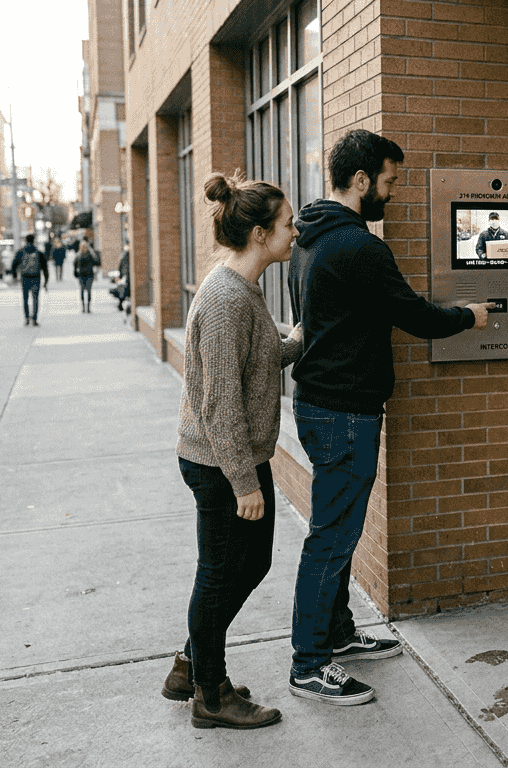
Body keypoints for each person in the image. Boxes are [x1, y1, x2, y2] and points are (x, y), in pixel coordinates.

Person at [285, 129, 489, 705]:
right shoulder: (359, 247)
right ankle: (308, 665)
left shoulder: (309, 238)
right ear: (360, 179)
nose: (392, 193)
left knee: (338, 531)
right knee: (332, 537)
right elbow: (415, 316)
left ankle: (338, 633)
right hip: (345, 411)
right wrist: (467, 317)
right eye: (390, 181)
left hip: (320, 403)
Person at [167, 171, 303, 730]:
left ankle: (190, 666)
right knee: (221, 572)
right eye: (288, 223)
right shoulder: (224, 299)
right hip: (220, 463)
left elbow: (260, 358)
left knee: (249, 563)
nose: (294, 232)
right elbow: (222, 402)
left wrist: (301, 337)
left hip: (236, 457)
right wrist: (244, 483)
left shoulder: (242, 290)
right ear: (259, 234)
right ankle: (211, 695)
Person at [10, 234, 49, 326]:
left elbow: (14, 264)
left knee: (25, 299)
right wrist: (46, 280)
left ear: (26, 241)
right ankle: (34, 319)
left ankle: (27, 318)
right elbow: (45, 267)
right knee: (35, 299)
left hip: (25, 277)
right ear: (33, 240)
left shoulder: (21, 252)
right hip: (36, 277)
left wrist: (15, 276)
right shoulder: (38, 252)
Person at [74, 240, 100, 312]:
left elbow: (97, 261)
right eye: (82, 246)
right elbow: (75, 265)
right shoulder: (78, 255)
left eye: (85, 246)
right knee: (82, 290)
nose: (84, 248)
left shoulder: (90, 254)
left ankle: (88, 307)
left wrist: (92, 252)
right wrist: (76, 274)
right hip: (81, 275)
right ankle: (83, 306)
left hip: (89, 275)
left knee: (88, 290)